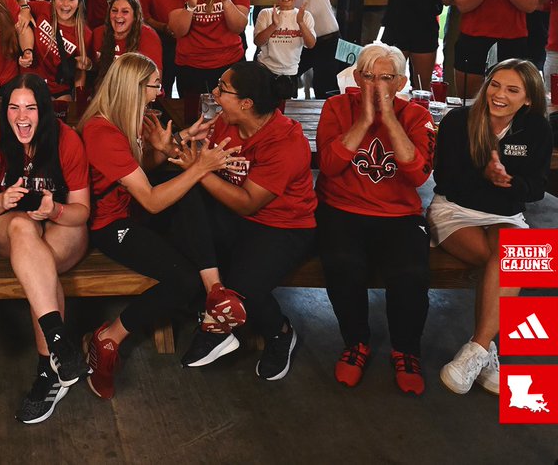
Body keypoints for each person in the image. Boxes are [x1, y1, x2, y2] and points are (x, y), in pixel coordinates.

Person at [78, 52, 240, 398]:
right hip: (111, 226)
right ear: (134, 88)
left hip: (133, 212)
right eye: (155, 85)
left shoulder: (126, 119)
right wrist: (198, 167)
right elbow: (150, 198)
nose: (160, 92)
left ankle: (215, 293)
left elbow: (139, 171)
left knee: (191, 200)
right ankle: (108, 337)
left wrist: (174, 144)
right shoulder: (101, 133)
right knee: (183, 279)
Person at [178, 62, 316, 381]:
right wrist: (173, 147)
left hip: (285, 227)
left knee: (245, 289)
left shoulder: (285, 141)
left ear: (246, 103)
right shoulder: (226, 123)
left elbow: (248, 203)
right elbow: (198, 164)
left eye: (222, 89)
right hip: (238, 217)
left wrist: (197, 171)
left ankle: (280, 333)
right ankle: (216, 300)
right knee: (186, 199)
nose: (214, 93)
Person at [316, 44, 437, 395]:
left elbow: (418, 175)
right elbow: (329, 166)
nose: (376, 85)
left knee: (411, 274)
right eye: (368, 77)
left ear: (400, 82)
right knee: (342, 263)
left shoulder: (415, 115)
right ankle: (356, 343)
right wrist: (366, 121)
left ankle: (405, 350)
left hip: (398, 213)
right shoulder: (337, 107)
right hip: (341, 207)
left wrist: (389, 120)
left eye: (386, 78)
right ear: (356, 78)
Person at [430, 59, 551, 396]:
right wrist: (484, 176)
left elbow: (536, 188)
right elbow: (445, 180)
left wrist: (510, 183)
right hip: (455, 211)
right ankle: (487, 353)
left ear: (528, 98)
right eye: (495, 84)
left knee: (512, 257)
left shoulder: (537, 129)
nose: (499, 94)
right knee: (507, 263)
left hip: (505, 216)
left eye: (512, 89)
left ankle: (478, 349)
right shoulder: (458, 121)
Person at [0, 73, 91, 423]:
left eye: (30, 108)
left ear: (44, 110)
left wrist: (52, 209)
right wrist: (1, 200)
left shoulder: (67, 140)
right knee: (21, 226)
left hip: (61, 225)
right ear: (3, 110)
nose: (21, 117)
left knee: (36, 270)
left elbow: (81, 211)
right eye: (13, 107)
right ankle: (58, 349)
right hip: (11, 228)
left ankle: (48, 368)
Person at [168, 0, 251, 98]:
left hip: (229, 64)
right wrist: (191, 6)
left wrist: (225, 0)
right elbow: (178, 31)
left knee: (229, 118)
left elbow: (238, 27)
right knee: (192, 117)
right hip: (190, 66)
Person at [137, 0, 189, 95]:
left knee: (187, 91)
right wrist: (164, 27)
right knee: (162, 88)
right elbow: (144, 18)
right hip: (160, 42)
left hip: (187, 44)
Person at [31, 0, 93, 99]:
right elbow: (22, 3)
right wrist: (24, 10)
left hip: (59, 89)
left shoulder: (85, 34)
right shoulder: (44, 8)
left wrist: (78, 100)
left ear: (79, 2)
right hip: (31, 82)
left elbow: (81, 71)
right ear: (53, 1)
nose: (65, 4)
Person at [92, 0, 164, 84]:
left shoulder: (148, 36)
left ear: (135, 16)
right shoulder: (98, 33)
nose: (118, 16)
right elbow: (94, 72)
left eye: (125, 11)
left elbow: (155, 80)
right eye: (114, 10)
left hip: (137, 93)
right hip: (105, 92)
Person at [254, 0, 316, 80]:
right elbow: (258, 42)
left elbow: (310, 44)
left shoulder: (305, 16)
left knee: (287, 97)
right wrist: (273, 25)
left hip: (291, 72)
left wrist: (300, 22)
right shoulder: (266, 13)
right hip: (265, 69)